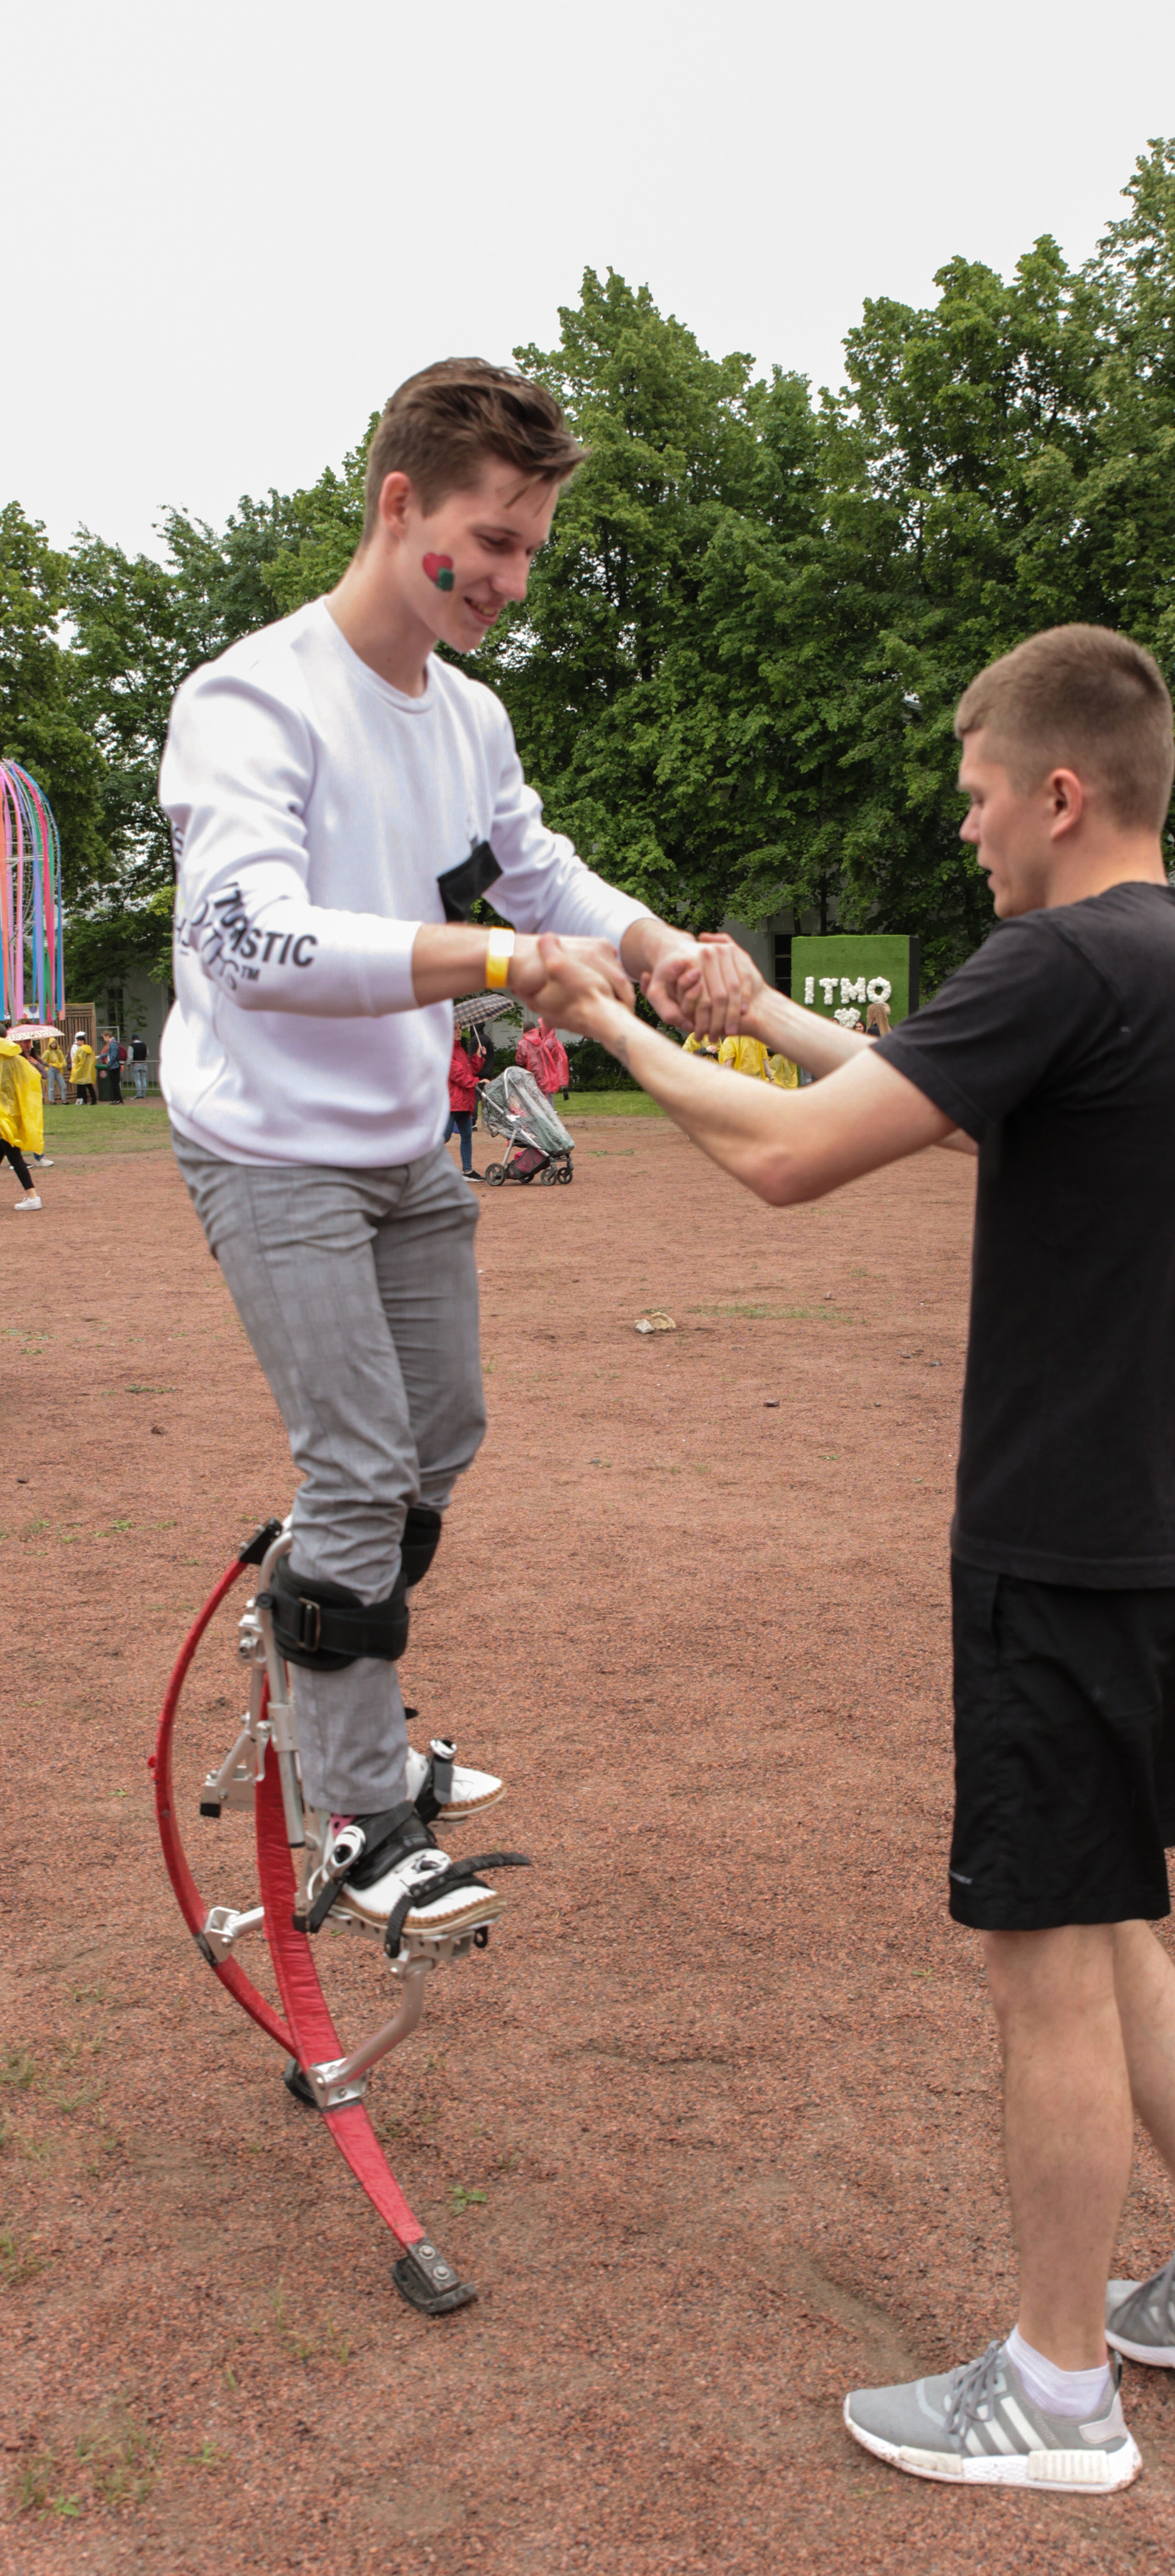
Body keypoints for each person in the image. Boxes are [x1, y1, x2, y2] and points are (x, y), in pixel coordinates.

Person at [546, 624, 1175, 2499]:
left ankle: (1059, 2389)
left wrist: (612, 1026)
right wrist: (747, 1013)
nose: (970, 832)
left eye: (980, 797)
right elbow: (920, 1086)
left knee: (1045, 1945)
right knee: (1112, 1904)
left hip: (1069, 1544)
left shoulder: (1061, 956)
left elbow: (794, 1163)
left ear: (1060, 794)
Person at [158, 354, 747, 1950]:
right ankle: (358, 1812)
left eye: (532, 553)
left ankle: (328, 1652)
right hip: (268, 1140)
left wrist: (650, 943)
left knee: (440, 1438)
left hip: (397, 1135)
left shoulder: (468, 716)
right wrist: (495, 966)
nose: (507, 580)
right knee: (355, 1468)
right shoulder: (251, 699)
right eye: (488, 540)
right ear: (397, 499)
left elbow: (531, 866)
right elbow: (251, 937)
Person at [0, 1031, 45, 1209]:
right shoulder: (16, 1058)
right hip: (14, 1112)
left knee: (14, 1155)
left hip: (2, 1113)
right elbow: (33, 1077)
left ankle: (33, 1197)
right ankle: (32, 1196)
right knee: (8, 1150)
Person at [446, 1024, 483, 1177]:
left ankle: (467, 1170)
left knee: (467, 1136)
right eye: (454, 1028)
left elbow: (469, 1071)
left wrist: (478, 1058)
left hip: (464, 1101)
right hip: (452, 1102)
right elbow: (458, 1075)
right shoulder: (446, 1050)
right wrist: (476, 1082)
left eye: (460, 1028)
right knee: (444, 1137)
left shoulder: (460, 1049)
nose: (459, 1031)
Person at [96, 1030, 123, 1104]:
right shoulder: (114, 1043)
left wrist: (109, 1064)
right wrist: (99, 1056)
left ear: (108, 1036)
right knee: (115, 1083)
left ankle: (118, 1099)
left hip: (114, 1066)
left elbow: (113, 1056)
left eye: (104, 1038)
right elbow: (109, 1054)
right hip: (115, 1066)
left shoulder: (112, 1044)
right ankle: (117, 1099)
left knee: (115, 1084)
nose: (104, 1039)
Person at [40, 1034, 66, 1105]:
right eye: (52, 1043)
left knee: (63, 1085)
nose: (54, 1045)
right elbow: (42, 1060)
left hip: (58, 1069)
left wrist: (62, 1064)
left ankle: (64, 1100)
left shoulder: (59, 1052)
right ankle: (52, 1101)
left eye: (55, 1043)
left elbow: (63, 1060)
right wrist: (48, 1064)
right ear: (50, 1044)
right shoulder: (48, 1052)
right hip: (51, 1070)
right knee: (51, 1086)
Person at [130, 1030, 150, 1098]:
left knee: (137, 1080)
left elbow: (130, 1057)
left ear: (133, 1039)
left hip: (136, 1064)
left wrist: (128, 1064)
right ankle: (144, 1095)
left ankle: (139, 1095)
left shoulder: (132, 1046)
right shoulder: (144, 1045)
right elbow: (147, 1054)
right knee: (143, 1079)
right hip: (144, 1063)